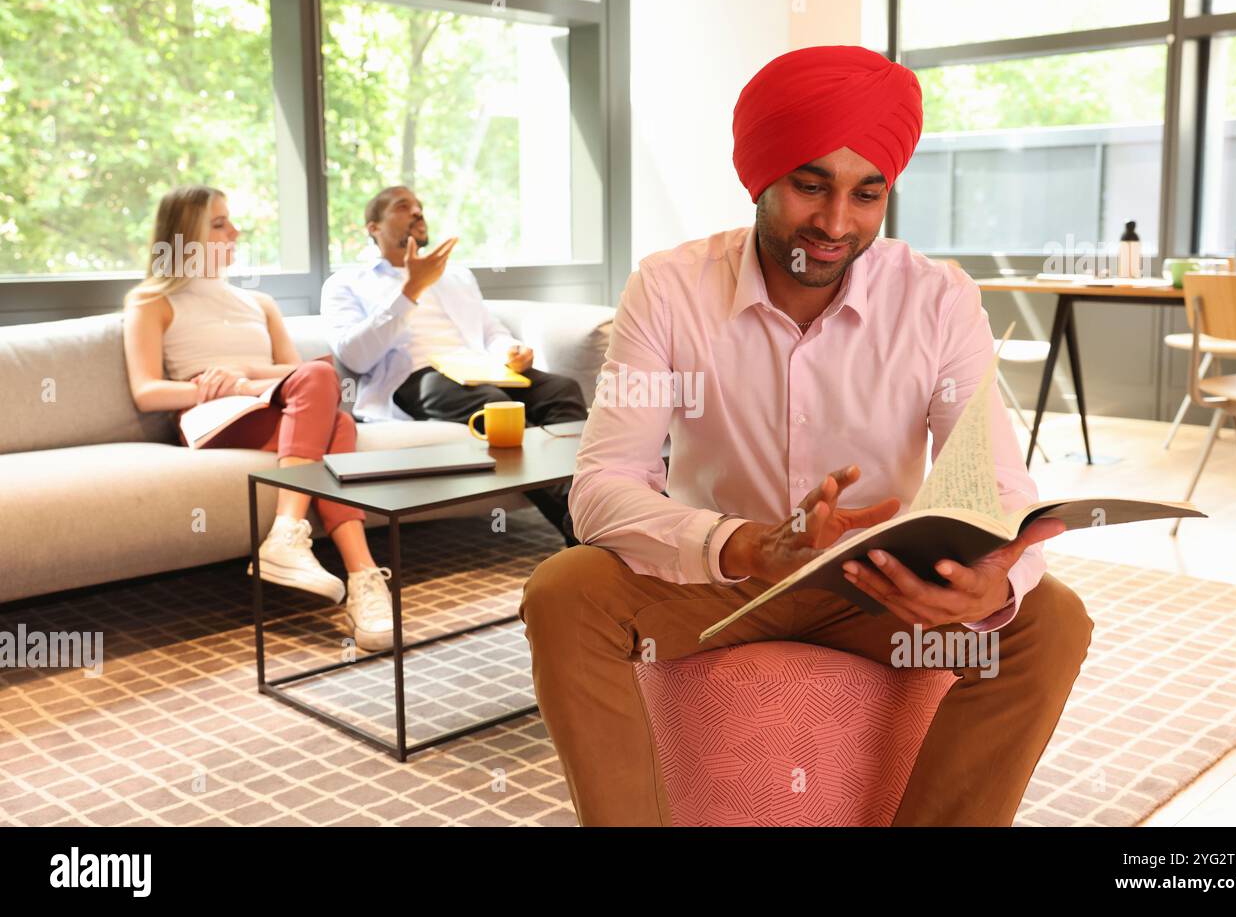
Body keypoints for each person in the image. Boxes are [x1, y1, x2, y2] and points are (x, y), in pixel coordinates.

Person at [518, 46, 1094, 826]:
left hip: (879, 593)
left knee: (1048, 621)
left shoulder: (938, 298)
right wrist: (749, 544)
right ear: (759, 176)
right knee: (564, 591)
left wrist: (996, 578)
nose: (834, 223)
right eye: (810, 184)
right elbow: (601, 488)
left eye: (867, 193)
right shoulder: (669, 287)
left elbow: (997, 482)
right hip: (715, 582)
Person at [122, 185, 396, 652]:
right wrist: (223, 387)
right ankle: (295, 539)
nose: (235, 231)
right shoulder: (151, 301)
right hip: (212, 418)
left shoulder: (259, 304)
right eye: (219, 223)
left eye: (230, 220)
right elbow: (147, 392)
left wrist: (246, 374)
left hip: (265, 406)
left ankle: (360, 578)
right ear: (183, 234)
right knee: (331, 409)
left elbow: (298, 373)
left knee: (338, 418)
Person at [320, 186, 587, 544]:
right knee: (496, 404)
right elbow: (354, 355)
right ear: (373, 228)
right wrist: (410, 290)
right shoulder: (347, 284)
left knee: (562, 390)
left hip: (478, 368)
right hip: (416, 378)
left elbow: (491, 331)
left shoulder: (456, 276)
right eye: (403, 207)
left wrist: (511, 350)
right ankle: (583, 527)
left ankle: (590, 505)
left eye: (419, 207)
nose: (417, 212)